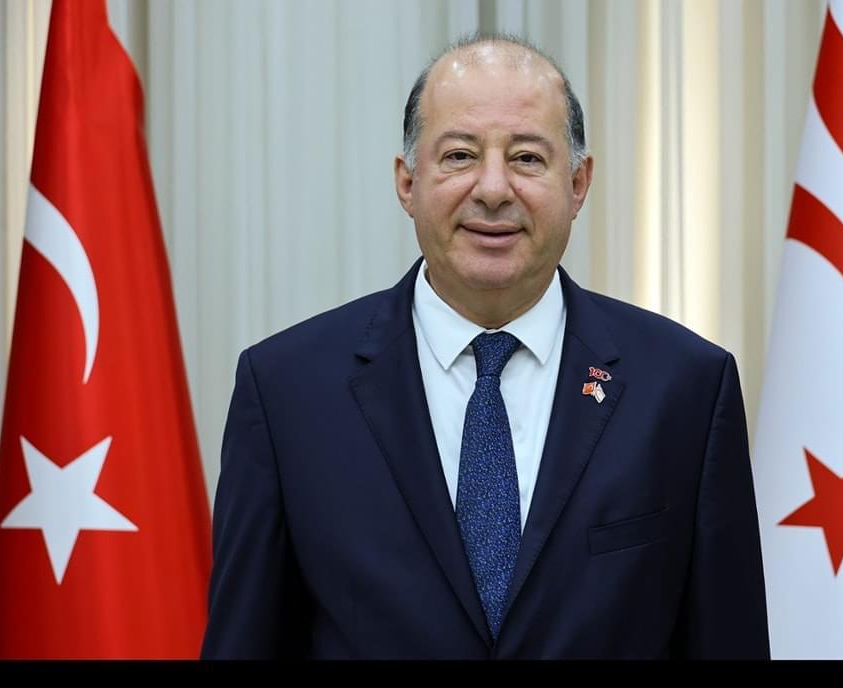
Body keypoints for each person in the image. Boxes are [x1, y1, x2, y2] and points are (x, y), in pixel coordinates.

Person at [201, 34, 769, 659]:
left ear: (578, 183)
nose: (493, 189)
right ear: (407, 182)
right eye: (459, 156)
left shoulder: (686, 389)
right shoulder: (287, 392)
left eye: (527, 158)